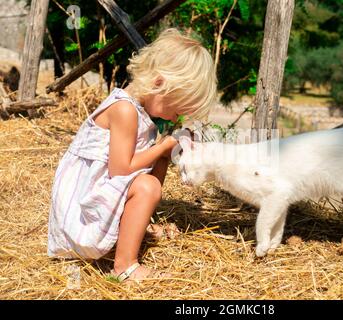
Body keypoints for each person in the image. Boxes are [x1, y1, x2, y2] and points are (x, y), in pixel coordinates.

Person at [47, 28, 217, 282]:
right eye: (176, 108)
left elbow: (134, 170)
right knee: (147, 184)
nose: (175, 117)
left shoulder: (141, 112)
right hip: (81, 217)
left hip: (100, 193)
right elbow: (121, 169)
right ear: (160, 83)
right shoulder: (124, 110)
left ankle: (133, 229)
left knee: (155, 167)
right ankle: (124, 268)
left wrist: (166, 152)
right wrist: (161, 146)